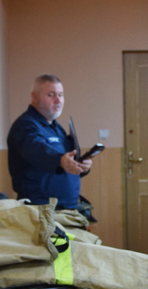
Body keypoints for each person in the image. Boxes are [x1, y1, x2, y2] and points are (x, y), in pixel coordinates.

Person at [8, 74, 91, 209]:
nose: (58, 100)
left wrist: (81, 166)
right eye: (51, 95)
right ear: (35, 97)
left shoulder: (57, 128)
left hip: (67, 208)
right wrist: (60, 160)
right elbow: (37, 150)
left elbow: (68, 162)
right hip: (39, 210)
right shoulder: (25, 126)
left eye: (61, 95)